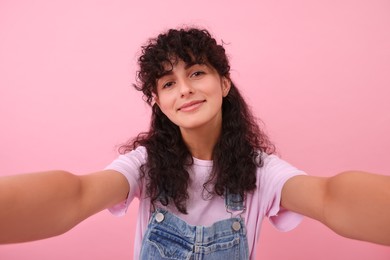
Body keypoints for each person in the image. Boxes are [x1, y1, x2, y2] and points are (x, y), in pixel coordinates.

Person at [0, 27, 389, 259]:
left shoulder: (262, 172)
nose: (184, 90)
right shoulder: (143, 165)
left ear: (224, 83)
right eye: (169, 83)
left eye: (197, 73)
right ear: (160, 102)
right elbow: (77, 194)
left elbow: (329, 196)